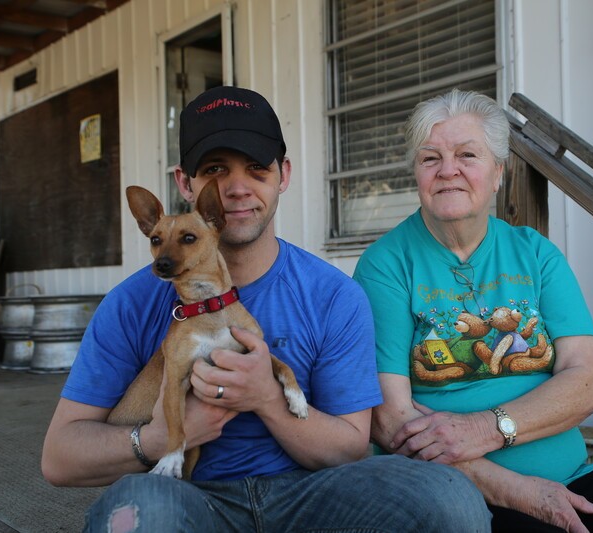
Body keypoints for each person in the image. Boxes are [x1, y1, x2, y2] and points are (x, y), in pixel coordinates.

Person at [41, 86, 492, 532]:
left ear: (283, 175)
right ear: (185, 184)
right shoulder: (130, 302)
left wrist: (266, 398)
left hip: (307, 493)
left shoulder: (332, 294)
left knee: (448, 498)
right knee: (139, 514)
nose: (236, 189)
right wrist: (158, 438)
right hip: (186, 494)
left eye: (257, 169)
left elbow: (349, 449)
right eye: (216, 169)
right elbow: (60, 458)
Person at [353, 88, 593, 533]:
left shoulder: (535, 254)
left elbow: (590, 383)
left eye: (467, 155)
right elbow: (389, 419)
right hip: (458, 495)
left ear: (497, 172)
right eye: (430, 158)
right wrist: (518, 490)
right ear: (416, 173)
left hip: (571, 481)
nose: (448, 170)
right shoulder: (386, 264)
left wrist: (486, 428)